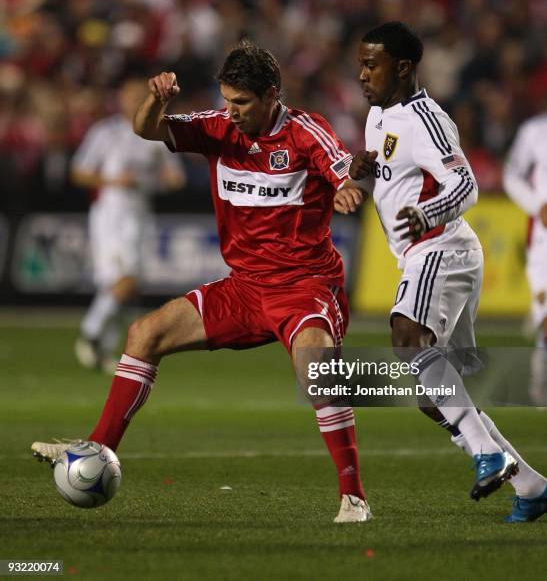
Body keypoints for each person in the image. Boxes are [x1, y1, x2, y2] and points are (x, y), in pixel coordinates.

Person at [32, 41, 372, 523]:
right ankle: (97, 449)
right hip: (244, 287)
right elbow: (146, 128)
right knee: (144, 333)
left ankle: (353, 498)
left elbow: (341, 170)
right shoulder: (216, 127)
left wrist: (347, 191)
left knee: (317, 371)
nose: (231, 112)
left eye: (242, 103)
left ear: (272, 94)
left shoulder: (304, 131)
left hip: (305, 286)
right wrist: (157, 100)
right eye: (226, 100)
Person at [335, 21, 547, 522]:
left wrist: (428, 214)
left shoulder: (427, 120)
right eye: (361, 63)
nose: (362, 73)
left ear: (403, 68)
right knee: (436, 399)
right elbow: (391, 168)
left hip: (442, 246)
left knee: (406, 338)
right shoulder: (377, 115)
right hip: (419, 255)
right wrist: (361, 167)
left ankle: (486, 455)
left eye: (372, 64)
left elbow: (467, 187)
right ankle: (532, 485)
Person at [71, 78, 185, 373]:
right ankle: (90, 333)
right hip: (111, 213)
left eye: (140, 96)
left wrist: (165, 180)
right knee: (124, 281)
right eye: (130, 95)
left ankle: (103, 351)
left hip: (141, 214)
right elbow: (79, 173)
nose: (134, 101)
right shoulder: (105, 132)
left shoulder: (155, 132)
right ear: (119, 99)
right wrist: (112, 181)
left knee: (127, 286)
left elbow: (175, 177)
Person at [503, 112, 547, 407]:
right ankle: (540, 390)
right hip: (544, 237)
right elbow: (511, 175)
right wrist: (537, 205)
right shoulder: (534, 130)